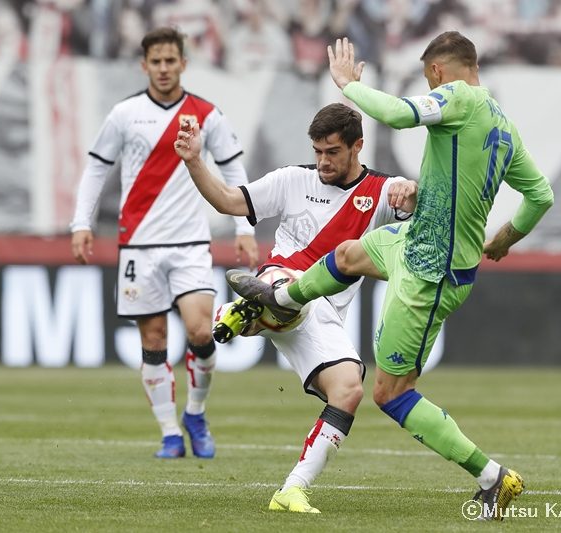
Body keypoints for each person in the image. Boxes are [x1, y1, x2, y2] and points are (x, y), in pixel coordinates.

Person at [225, 32, 554, 519]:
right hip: (414, 240)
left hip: (430, 270)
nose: (429, 85)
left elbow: (399, 115)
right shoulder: (505, 128)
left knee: (389, 394)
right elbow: (540, 195)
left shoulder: (458, 96)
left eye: (427, 77)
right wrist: (504, 238)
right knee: (351, 253)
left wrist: (347, 86)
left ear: (438, 72)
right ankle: (284, 299)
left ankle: (494, 478)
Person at [174, 102, 418, 512]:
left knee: (349, 390)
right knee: (283, 286)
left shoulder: (381, 190)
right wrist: (196, 161)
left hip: (324, 313)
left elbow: (426, 219)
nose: (322, 161)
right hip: (284, 283)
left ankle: (291, 489)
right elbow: (229, 202)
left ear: (358, 146)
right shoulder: (291, 179)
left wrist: (413, 192)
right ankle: (259, 307)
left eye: (333, 152)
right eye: (317, 151)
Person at [70, 27, 259, 459]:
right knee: (153, 342)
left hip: (191, 240)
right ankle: (170, 432)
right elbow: (97, 169)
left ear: (183, 64)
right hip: (138, 244)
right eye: (155, 61)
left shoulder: (206, 114)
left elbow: (234, 172)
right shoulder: (124, 114)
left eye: (170, 60)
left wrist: (245, 230)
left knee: (200, 330)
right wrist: (81, 223)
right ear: (144, 65)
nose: (163, 68)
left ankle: (195, 411)